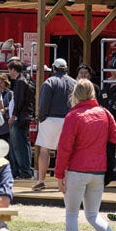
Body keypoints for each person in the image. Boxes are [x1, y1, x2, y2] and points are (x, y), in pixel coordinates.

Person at [54, 79, 116, 231]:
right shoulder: (105, 113)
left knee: (71, 215)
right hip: (98, 171)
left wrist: (59, 174)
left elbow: (64, 148)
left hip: (77, 170)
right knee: (93, 215)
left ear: (75, 95)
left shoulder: (73, 116)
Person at [33, 58, 76, 191]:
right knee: (66, 151)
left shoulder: (49, 82)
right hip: (68, 119)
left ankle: (41, 180)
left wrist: (41, 118)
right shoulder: (74, 82)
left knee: (45, 150)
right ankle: (63, 181)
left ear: (53, 68)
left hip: (50, 119)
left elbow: (44, 103)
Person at [6, 60, 34, 179]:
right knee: (20, 144)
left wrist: (13, 116)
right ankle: (20, 170)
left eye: (9, 70)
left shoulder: (20, 82)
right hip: (23, 117)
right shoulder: (24, 80)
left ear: (13, 69)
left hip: (19, 118)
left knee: (19, 145)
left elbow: (19, 101)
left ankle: (25, 170)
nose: (9, 73)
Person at [0, 73, 12, 141]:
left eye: (1, 83)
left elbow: (12, 107)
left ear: (5, 83)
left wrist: (5, 109)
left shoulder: (9, 93)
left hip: (4, 125)